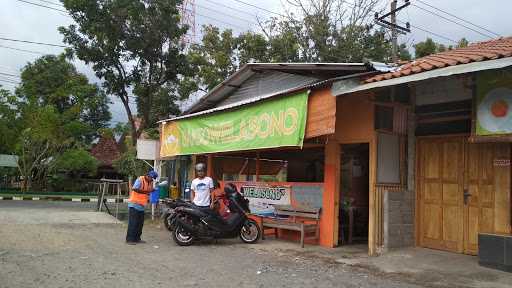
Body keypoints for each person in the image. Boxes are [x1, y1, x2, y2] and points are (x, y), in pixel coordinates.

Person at [126, 169, 158, 245]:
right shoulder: (140, 179)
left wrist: (152, 191)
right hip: (134, 204)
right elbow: (134, 188)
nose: (152, 180)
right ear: (148, 175)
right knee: (133, 223)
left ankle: (137, 238)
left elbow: (148, 191)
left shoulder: (150, 182)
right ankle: (130, 239)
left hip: (142, 205)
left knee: (140, 224)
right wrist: (147, 191)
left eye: (153, 179)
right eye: (151, 178)